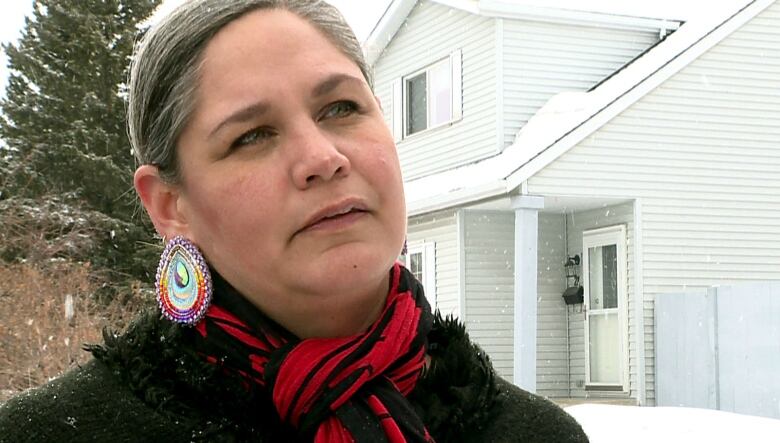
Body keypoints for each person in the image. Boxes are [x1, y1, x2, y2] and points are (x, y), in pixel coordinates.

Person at [0, 1, 589, 441]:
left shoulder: (536, 434)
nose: (323, 158)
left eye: (341, 108)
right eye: (251, 136)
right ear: (169, 206)